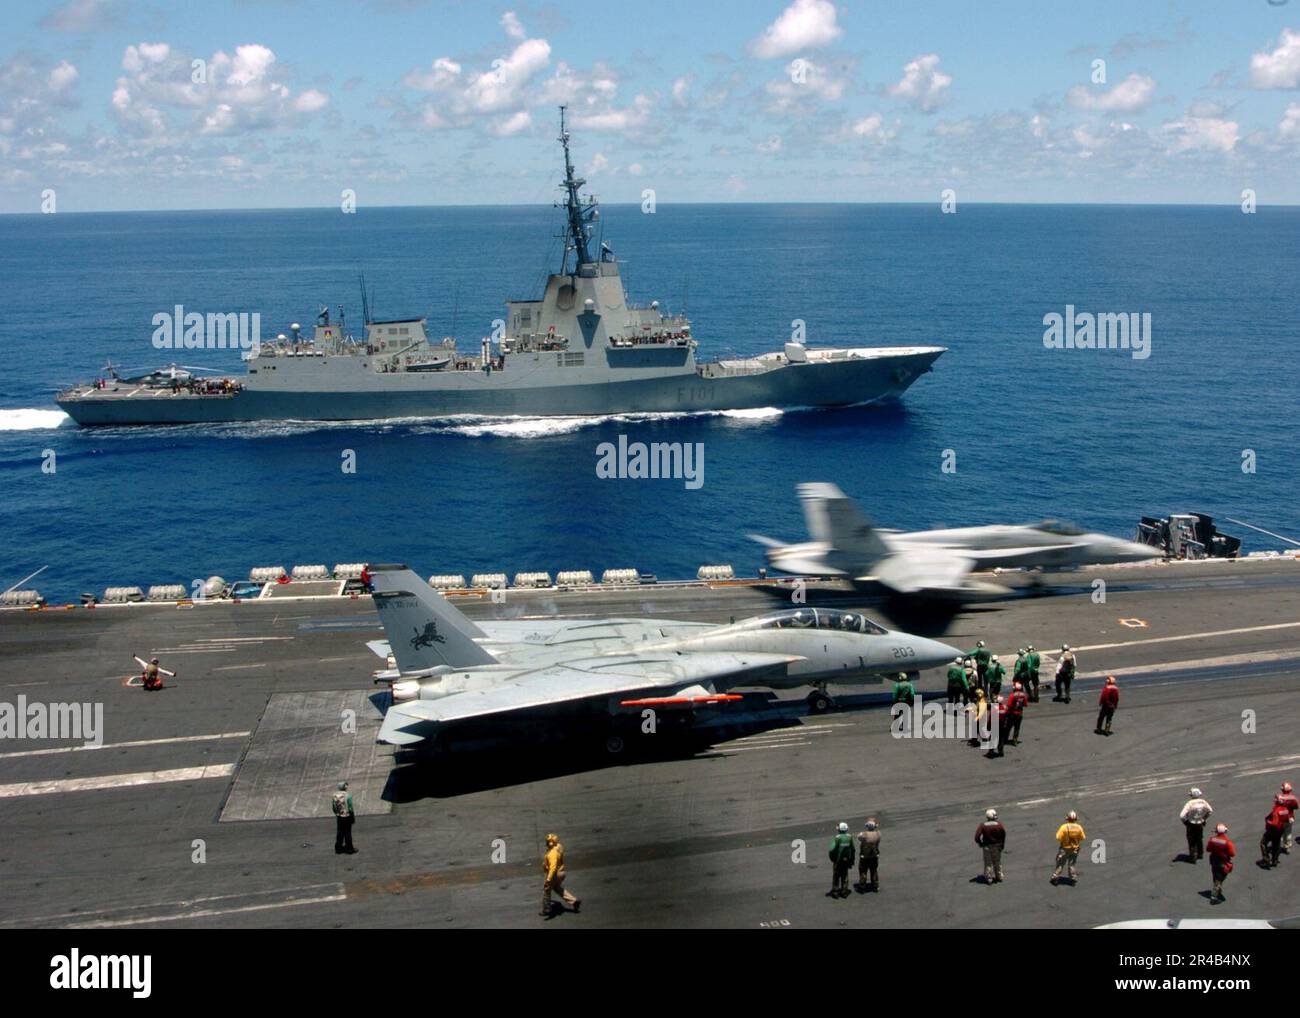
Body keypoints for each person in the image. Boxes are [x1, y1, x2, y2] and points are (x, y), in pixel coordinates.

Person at [541, 832, 581, 916]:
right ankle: (574, 901)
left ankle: (546, 909)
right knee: (557, 888)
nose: (546, 843)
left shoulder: (552, 854)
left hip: (555, 874)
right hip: (562, 872)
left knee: (547, 890)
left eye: (547, 842)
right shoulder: (559, 846)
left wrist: (548, 879)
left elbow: (553, 868)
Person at [1051, 810, 1086, 884]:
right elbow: (1082, 837)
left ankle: (1056, 877)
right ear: (1076, 819)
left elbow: (1058, 837)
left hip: (1065, 849)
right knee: (1072, 864)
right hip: (1075, 849)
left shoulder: (1063, 827)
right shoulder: (1079, 827)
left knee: (1060, 863)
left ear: (1067, 818)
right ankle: (1072, 877)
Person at [1180, 788, 1213, 862]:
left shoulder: (1189, 803)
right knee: (1199, 839)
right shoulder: (1203, 802)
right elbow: (1210, 811)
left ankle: (1193, 857)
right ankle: (1200, 854)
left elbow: (1182, 816)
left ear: (1191, 795)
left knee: (1191, 840)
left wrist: (1186, 822)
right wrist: (1204, 818)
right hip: (1200, 823)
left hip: (1191, 824)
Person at [975, 808, 1007, 884]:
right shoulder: (999, 825)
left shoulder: (982, 826)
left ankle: (989, 878)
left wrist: (981, 843)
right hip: (997, 846)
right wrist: (1002, 845)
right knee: (997, 861)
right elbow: (1003, 835)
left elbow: (977, 837)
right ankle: (999, 876)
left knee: (988, 863)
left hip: (987, 847)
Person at [1261, 795, 1292, 868]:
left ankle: (1266, 859)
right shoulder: (1286, 810)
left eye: (1276, 799)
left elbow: (1274, 823)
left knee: (1263, 843)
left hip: (1272, 830)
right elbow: (1287, 820)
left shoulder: (1276, 811)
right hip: (1280, 830)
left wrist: (1268, 821)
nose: (1274, 800)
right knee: (1276, 845)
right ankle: (1275, 860)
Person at [1207, 823, 1235, 903]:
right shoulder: (1227, 842)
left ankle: (1217, 891)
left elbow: (1208, 849)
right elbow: (1232, 853)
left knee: (1215, 876)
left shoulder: (1212, 839)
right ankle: (1214, 897)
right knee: (1219, 879)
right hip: (1223, 862)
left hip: (1213, 861)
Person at [828, 822, 856, 898]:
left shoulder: (837, 838)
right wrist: (852, 860)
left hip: (838, 861)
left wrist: (833, 859)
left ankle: (836, 892)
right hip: (846, 861)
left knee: (836, 876)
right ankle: (844, 891)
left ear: (839, 829)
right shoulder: (849, 837)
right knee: (845, 876)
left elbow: (831, 849)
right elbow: (853, 849)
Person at [856, 818, 881, 892]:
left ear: (867, 826)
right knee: (874, 870)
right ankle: (875, 885)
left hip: (864, 857)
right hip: (874, 856)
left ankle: (862, 885)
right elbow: (878, 840)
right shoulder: (878, 834)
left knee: (863, 870)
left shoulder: (863, 834)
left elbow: (859, 838)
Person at [331, 781, 356, 854]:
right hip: (347, 816)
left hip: (339, 817)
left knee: (340, 832)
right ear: (344, 787)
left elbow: (333, 807)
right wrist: (352, 817)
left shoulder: (334, 795)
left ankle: (338, 848)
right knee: (348, 832)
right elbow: (351, 808)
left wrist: (337, 814)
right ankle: (349, 848)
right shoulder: (348, 795)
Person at [1004, 681, 1028, 747]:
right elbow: (1025, 704)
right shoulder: (1023, 695)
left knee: (1008, 727)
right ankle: (1015, 740)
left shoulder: (1012, 695)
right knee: (1017, 728)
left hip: (1012, 713)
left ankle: (1005, 739)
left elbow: (1009, 705)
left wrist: (1006, 713)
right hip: (1019, 714)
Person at [1279, 782, 1298, 852]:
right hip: (1290, 817)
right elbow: (1296, 807)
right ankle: (1287, 846)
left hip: (1281, 818)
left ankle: (1278, 844)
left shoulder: (1279, 797)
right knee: (1288, 832)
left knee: (1279, 831)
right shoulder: (1292, 798)